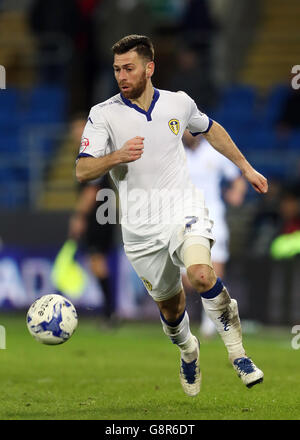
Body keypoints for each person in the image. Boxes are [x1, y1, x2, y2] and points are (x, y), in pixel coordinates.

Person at [76, 34, 268, 396]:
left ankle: (239, 354)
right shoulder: (102, 114)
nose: (122, 76)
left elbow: (211, 129)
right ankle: (188, 349)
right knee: (171, 306)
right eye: (117, 69)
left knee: (199, 273)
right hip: (140, 230)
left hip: (183, 210)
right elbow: (83, 171)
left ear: (149, 68)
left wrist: (245, 167)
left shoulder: (179, 104)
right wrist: (116, 156)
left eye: (129, 68)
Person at [182, 132, 247, 337]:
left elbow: (237, 179)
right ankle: (186, 317)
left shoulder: (214, 152)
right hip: (184, 215)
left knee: (215, 265)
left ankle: (211, 322)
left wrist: (236, 193)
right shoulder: (175, 153)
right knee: (188, 278)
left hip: (212, 215)